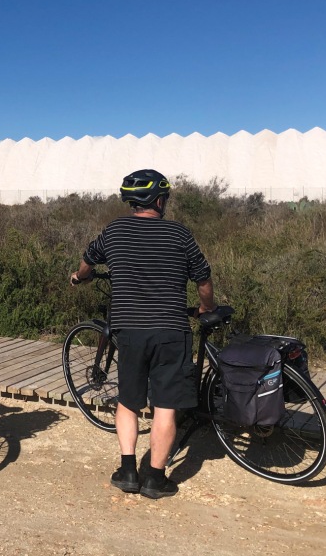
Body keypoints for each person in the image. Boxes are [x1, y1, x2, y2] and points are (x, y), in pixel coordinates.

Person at [70, 169, 216, 499]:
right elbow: (203, 279)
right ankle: (154, 478)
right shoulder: (180, 234)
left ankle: (127, 471)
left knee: (129, 401)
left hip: (130, 332)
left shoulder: (114, 231)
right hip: (170, 330)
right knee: (165, 406)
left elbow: (87, 262)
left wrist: (79, 278)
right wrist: (206, 308)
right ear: (159, 200)